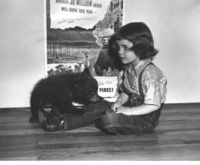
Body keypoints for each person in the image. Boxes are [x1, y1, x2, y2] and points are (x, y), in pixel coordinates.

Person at [38, 22, 167, 135]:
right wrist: (119, 102)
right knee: (100, 105)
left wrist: (128, 111)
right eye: (119, 47)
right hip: (129, 109)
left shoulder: (152, 74)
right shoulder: (129, 69)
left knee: (108, 119)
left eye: (125, 48)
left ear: (141, 47)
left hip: (144, 120)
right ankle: (60, 119)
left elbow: (153, 105)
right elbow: (127, 92)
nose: (120, 52)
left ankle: (97, 120)